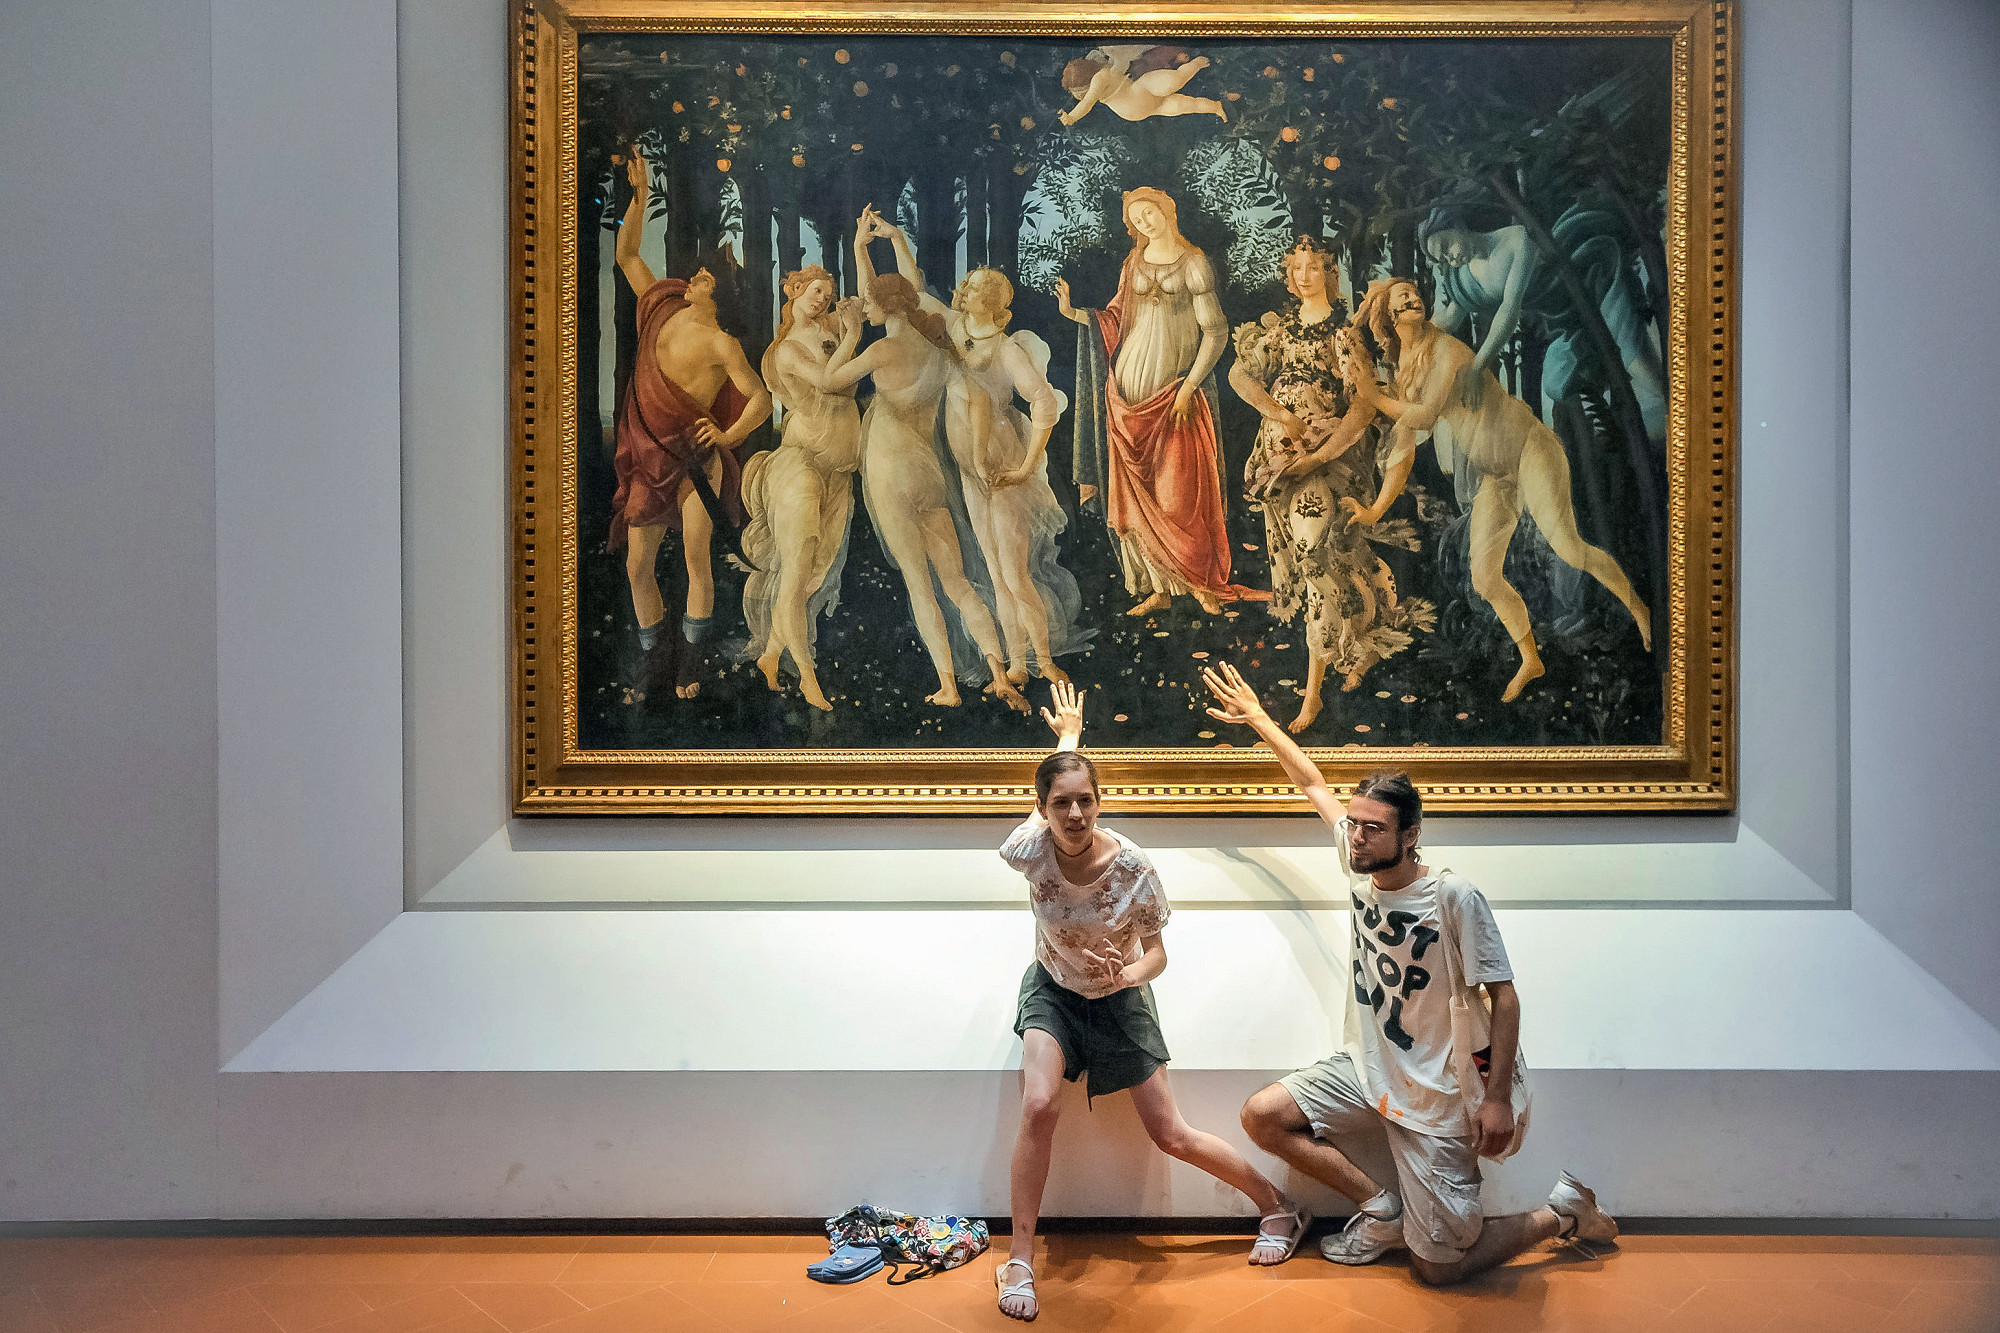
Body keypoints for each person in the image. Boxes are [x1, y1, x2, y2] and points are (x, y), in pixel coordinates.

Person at [1199, 661, 1620, 1286]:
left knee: (1439, 1269)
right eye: (1354, 825)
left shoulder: (1453, 897)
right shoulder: (1360, 868)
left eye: (1373, 829)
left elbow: (1504, 998)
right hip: (1368, 1068)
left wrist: (1496, 1098)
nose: (1357, 838)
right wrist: (1261, 719)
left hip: (1438, 1093)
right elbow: (1312, 781)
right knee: (1263, 1116)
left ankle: (1561, 1212)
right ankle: (1382, 1208)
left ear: (1410, 835)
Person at [994, 681, 1309, 1322]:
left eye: (1086, 801)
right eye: (1061, 803)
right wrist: (1068, 738)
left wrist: (1127, 973)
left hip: (1122, 997)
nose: (1075, 814)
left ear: (1100, 802)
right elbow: (1050, 791)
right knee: (1038, 1104)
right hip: (1054, 991)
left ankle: (1279, 1206)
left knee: (1170, 1134)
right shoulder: (1028, 849)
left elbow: (1159, 953)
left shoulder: (1134, 867)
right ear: (1043, 809)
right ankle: (1019, 1258)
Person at [1348, 278, 1650, 702]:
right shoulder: (1408, 369)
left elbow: (1426, 415)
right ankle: (1531, 659)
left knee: (1568, 546)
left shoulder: (1446, 348)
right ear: (1389, 317)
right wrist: (1375, 511)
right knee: (1485, 577)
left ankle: (1639, 609)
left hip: (1529, 449)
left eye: (1414, 291)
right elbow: (1404, 448)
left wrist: (1373, 397)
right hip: (1495, 475)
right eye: (1403, 296)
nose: (1414, 296)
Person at [859, 205, 1087, 691]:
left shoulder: (1006, 349)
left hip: (1002, 465)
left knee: (1015, 573)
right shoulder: (954, 326)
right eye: (968, 283)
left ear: (995, 301)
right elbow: (913, 291)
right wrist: (896, 239)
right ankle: (1017, 663)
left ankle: (1045, 661)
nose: (966, 288)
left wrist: (1027, 467)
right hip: (968, 465)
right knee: (995, 573)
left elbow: (1044, 404)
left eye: (978, 286)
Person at [1229, 237, 1436, 729]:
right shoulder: (1280, 333)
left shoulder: (1345, 337)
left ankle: (1317, 687)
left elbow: (1363, 408)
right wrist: (1279, 413)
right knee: (1325, 563)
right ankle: (1360, 640)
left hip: (1327, 461)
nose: (1304, 276)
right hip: (1279, 464)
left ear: (1329, 274)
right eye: (1296, 268)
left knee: (1316, 557)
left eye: (1314, 268)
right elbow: (1240, 376)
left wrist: (1317, 456)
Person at [819, 233, 1029, 713]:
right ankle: (999, 674)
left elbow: (830, 382)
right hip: (929, 475)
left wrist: (850, 333)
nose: (864, 308)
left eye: (870, 305)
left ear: (883, 308)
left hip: (891, 472)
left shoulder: (882, 350)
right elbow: (976, 397)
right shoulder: (939, 347)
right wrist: (863, 248)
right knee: (957, 582)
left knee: (921, 584)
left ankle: (949, 687)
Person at [610, 148, 772, 699]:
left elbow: (761, 398)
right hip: (648, 460)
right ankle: (654, 659)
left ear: (720, 295)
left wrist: (728, 436)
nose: (697, 274)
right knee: (638, 566)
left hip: (694, 463)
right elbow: (627, 255)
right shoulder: (663, 306)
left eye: (708, 276)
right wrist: (640, 197)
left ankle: (691, 661)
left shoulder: (722, 344)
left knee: (696, 560)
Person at [1061, 187, 1261, 617]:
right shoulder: (1132, 263)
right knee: (1135, 499)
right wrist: (1076, 314)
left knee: (1179, 498)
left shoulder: (1194, 264)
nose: (1144, 223)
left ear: (1167, 210)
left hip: (1173, 396)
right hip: (1125, 397)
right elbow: (1116, 320)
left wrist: (1188, 388)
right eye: (1136, 219)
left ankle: (1199, 583)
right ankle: (1160, 588)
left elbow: (1216, 332)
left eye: (1149, 213)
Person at [1418, 184, 1666, 439]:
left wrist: (1476, 367)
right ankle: (1616, 423)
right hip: (1564, 323)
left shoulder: (1516, 241)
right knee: (1557, 382)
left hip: (1590, 289)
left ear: (1458, 225)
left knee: (1646, 373)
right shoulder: (1464, 275)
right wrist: (1413, 333)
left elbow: (1509, 310)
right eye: (1444, 259)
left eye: (1447, 246)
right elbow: (1450, 316)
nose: (1451, 259)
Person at [739, 266, 863, 711]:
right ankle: (809, 680)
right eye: (815, 290)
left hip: (837, 469)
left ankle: (770, 656)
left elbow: (851, 377)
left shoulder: (829, 330)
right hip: (801, 466)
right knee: (795, 574)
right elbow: (831, 381)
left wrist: (858, 252)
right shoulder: (786, 350)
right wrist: (853, 334)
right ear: (793, 291)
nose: (822, 299)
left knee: (813, 575)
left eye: (828, 294)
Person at [1057, 47, 1227, 126]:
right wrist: (1072, 117)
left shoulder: (1101, 78)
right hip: (1142, 95)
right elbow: (1086, 102)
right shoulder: (1100, 78)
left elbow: (1086, 103)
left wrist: (1072, 117)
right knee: (1179, 88)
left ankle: (1214, 106)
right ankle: (1198, 67)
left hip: (1139, 106)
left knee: (1183, 101)